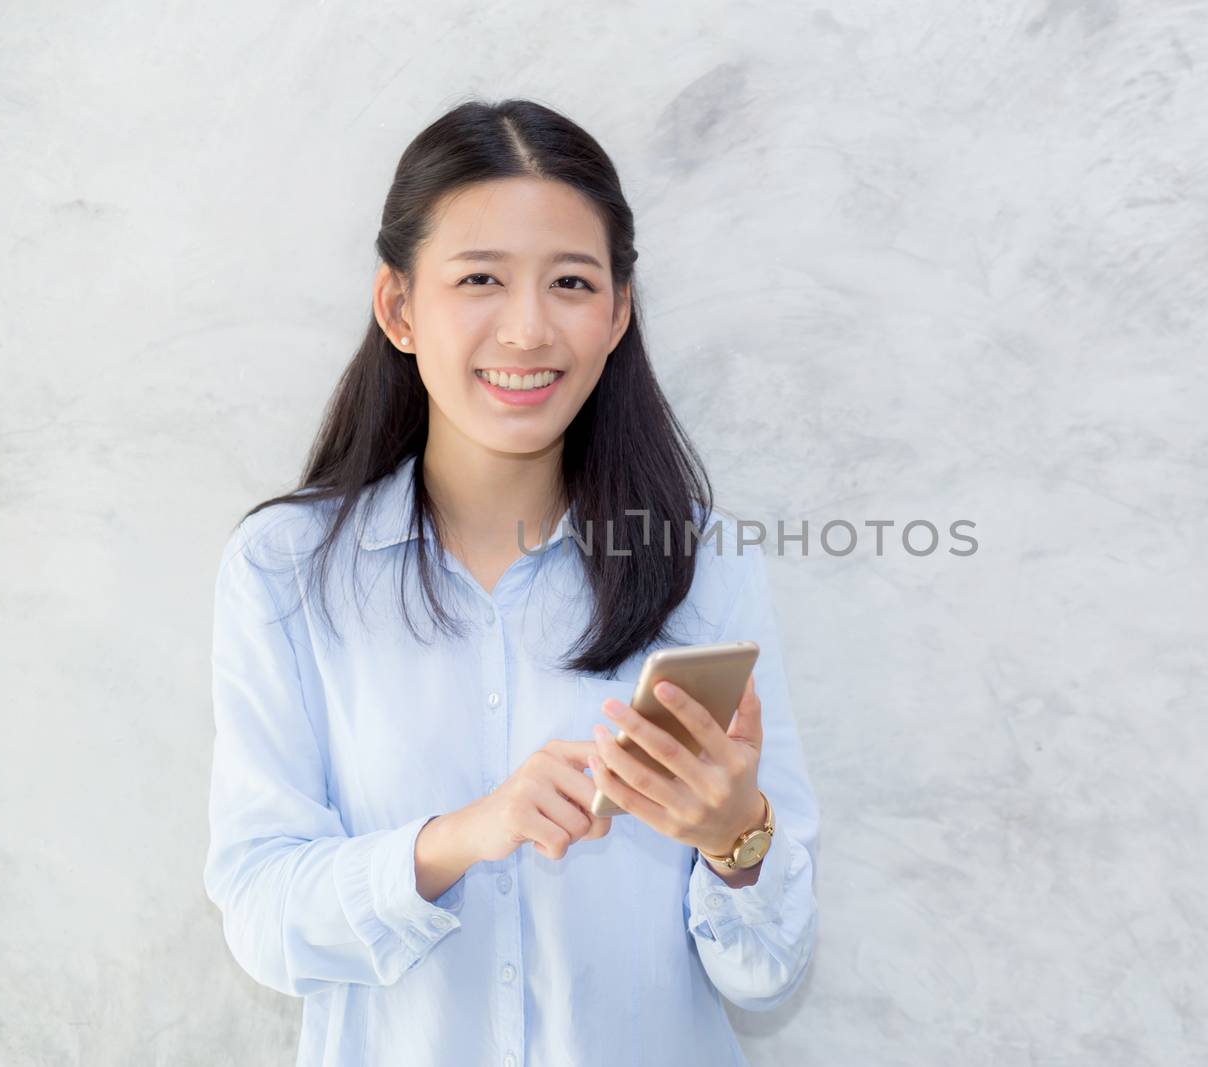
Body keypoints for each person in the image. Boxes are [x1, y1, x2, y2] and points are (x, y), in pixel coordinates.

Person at [202, 98, 821, 1067]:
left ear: (616, 313)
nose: (528, 329)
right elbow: (262, 918)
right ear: (399, 308)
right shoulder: (286, 570)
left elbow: (769, 973)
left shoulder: (703, 560)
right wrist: (458, 838)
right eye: (480, 278)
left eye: (571, 282)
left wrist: (734, 835)